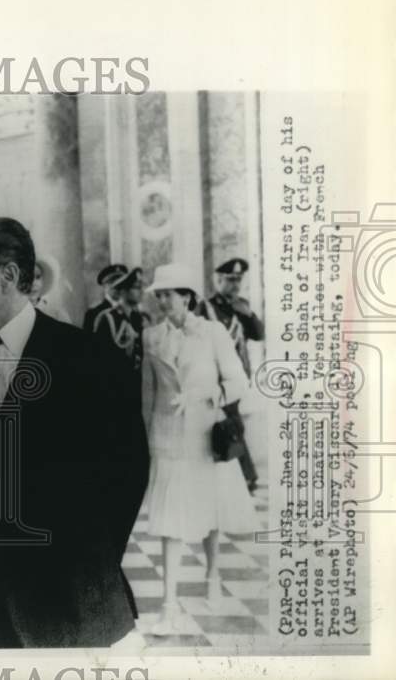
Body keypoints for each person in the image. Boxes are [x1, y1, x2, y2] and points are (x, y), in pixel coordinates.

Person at [0, 217, 148, 649]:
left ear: (9, 276)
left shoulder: (89, 357)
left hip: (73, 595)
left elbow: (126, 474)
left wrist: (89, 561)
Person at [141, 263, 259, 635]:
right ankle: (168, 605)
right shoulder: (150, 336)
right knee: (169, 521)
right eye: (159, 294)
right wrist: (145, 437)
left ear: (187, 297)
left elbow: (239, 382)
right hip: (166, 438)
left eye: (170, 294)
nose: (163, 300)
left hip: (205, 433)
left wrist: (209, 394)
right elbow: (146, 392)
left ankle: (212, 575)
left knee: (209, 509)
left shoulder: (213, 333)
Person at [198, 257, 263, 492]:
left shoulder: (240, 305)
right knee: (230, 424)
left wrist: (247, 314)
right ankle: (245, 476)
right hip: (216, 375)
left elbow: (258, 334)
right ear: (218, 280)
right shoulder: (206, 308)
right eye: (230, 280)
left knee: (233, 424)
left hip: (238, 375)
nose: (235, 285)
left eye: (238, 280)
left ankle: (243, 476)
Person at [94, 267, 151, 372]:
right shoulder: (108, 318)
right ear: (124, 291)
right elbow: (99, 357)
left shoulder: (140, 318)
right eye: (136, 287)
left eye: (141, 287)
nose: (141, 291)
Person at [82, 263, 128, 334]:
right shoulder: (93, 314)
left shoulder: (129, 313)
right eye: (113, 283)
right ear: (105, 286)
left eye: (121, 283)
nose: (118, 287)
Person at [28, 253, 72, 323]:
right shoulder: (13, 313)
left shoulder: (57, 315)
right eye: (28, 278)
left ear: (43, 280)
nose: (33, 283)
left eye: (38, 277)